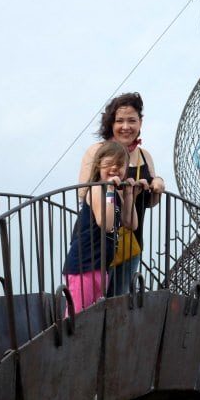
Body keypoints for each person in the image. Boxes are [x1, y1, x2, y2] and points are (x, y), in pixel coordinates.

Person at [78, 92, 165, 296]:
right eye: (120, 121)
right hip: (98, 244)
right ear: (111, 123)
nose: (126, 126)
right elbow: (83, 191)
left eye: (132, 120)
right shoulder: (97, 151)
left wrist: (157, 183)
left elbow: (150, 202)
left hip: (131, 242)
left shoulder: (145, 156)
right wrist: (114, 191)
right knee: (92, 300)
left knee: (121, 300)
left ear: (140, 122)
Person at [64, 141, 138, 314]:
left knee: (92, 317)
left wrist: (129, 194)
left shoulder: (114, 192)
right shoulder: (98, 189)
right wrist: (111, 190)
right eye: (108, 164)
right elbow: (107, 223)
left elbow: (131, 223)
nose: (114, 168)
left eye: (120, 165)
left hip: (101, 266)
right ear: (99, 166)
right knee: (77, 317)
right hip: (84, 266)